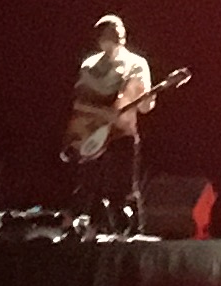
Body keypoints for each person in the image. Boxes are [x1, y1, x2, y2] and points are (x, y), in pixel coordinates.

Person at [59, 14, 162, 234]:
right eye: (105, 35)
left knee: (121, 189)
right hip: (91, 135)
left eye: (114, 35)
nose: (110, 40)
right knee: (87, 186)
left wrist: (146, 99)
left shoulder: (136, 64)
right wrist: (102, 114)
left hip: (121, 134)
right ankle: (85, 229)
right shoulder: (89, 65)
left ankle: (128, 233)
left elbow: (144, 107)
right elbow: (79, 103)